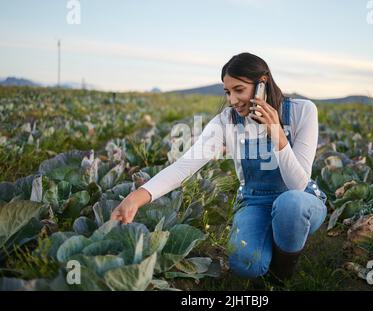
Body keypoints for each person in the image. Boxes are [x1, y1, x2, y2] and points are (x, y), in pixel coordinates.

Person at [110, 52, 328, 282]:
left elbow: (298, 184)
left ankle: (281, 275)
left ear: (262, 83)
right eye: (227, 92)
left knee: (290, 204)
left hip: (300, 200)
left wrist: (277, 134)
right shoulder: (226, 121)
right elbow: (185, 165)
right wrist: (136, 198)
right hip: (255, 201)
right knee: (245, 263)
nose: (232, 100)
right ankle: (273, 241)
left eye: (239, 89)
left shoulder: (302, 111)